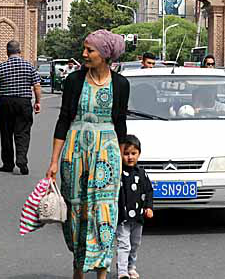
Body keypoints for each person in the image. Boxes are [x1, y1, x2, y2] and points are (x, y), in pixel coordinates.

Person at [45, 29, 129, 279]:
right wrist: (54, 162)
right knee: (77, 211)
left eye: (89, 50)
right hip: (75, 153)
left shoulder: (120, 84)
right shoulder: (74, 81)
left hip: (107, 155)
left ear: (104, 54)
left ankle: (102, 272)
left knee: (105, 212)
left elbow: (120, 124)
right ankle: (78, 270)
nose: (84, 54)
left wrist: (121, 160)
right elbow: (63, 120)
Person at [0, 40, 41, 175]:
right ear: (19, 51)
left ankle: (8, 164)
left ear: (7, 52)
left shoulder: (0, 67)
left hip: (5, 102)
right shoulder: (29, 66)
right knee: (23, 132)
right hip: (23, 102)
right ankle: (22, 159)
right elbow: (37, 86)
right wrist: (38, 102)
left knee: (6, 133)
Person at [117, 135, 153, 279]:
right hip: (122, 217)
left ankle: (131, 267)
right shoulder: (119, 173)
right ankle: (122, 271)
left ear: (139, 154)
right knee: (123, 244)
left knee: (135, 243)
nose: (130, 157)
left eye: (133, 153)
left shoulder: (142, 173)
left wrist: (149, 207)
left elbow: (148, 191)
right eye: (126, 153)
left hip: (138, 217)